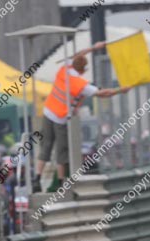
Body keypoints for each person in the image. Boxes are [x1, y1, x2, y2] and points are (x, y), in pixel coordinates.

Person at [36, 41, 132, 192]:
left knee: (46, 147)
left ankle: (37, 177)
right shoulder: (81, 85)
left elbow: (78, 54)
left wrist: (94, 47)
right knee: (61, 151)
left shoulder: (64, 69)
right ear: (82, 69)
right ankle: (61, 182)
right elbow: (103, 93)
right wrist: (121, 90)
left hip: (48, 112)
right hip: (60, 118)